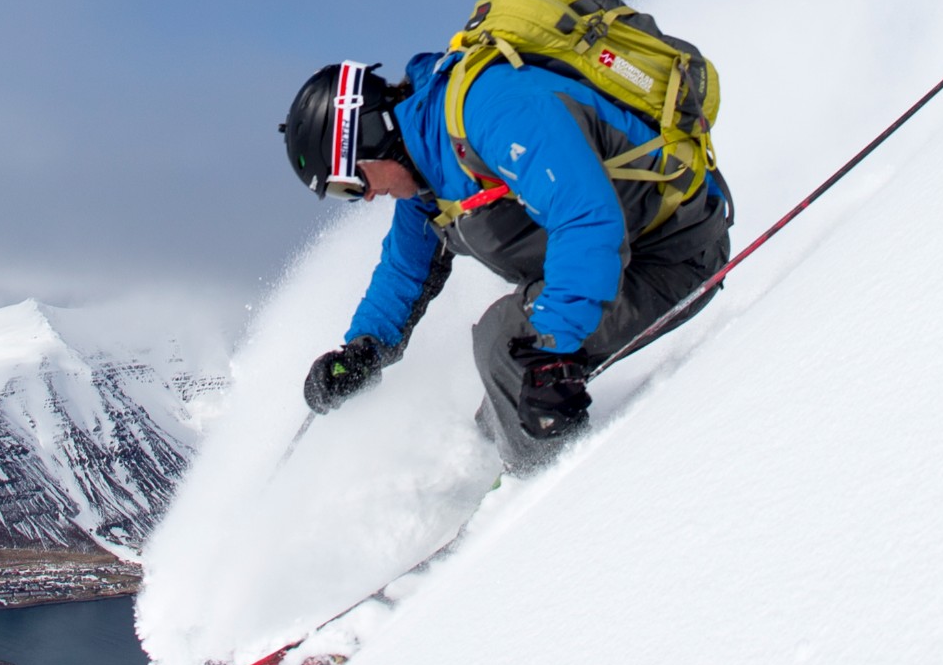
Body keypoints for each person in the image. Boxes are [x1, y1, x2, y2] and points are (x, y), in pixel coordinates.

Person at [280, 49, 732, 471]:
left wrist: (553, 349)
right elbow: (405, 268)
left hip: (676, 251)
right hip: (625, 260)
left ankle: (539, 499)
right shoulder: (430, 170)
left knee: (506, 345)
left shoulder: (493, 110)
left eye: (350, 183)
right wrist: (362, 350)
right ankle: (491, 474)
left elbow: (585, 217)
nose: (364, 197)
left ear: (371, 135)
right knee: (504, 396)